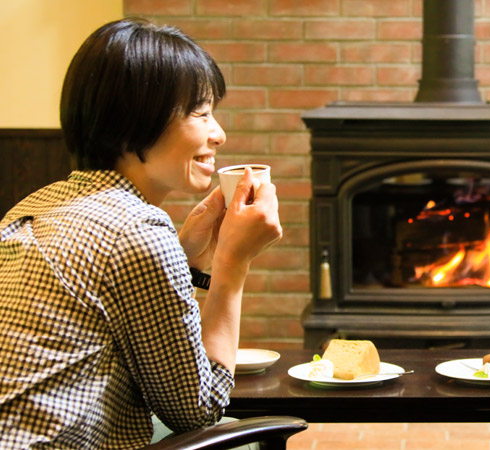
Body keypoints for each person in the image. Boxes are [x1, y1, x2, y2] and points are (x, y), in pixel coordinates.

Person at [0, 19, 282, 448]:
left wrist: (187, 258)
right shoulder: (137, 230)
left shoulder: (32, 206)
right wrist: (233, 262)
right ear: (136, 121)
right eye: (201, 113)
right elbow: (198, 409)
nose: (218, 134)